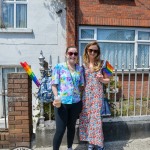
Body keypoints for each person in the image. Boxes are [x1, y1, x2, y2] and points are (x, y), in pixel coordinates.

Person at [79, 41, 111, 150]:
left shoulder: (104, 63)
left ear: (98, 52)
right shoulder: (82, 66)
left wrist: (102, 79)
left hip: (97, 95)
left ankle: (99, 144)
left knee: (96, 119)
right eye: (90, 50)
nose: (93, 52)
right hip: (86, 96)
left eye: (95, 51)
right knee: (87, 118)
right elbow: (80, 83)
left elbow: (108, 79)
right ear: (87, 51)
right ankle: (91, 143)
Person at [51, 46, 85, 150]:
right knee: (60, 130)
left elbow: (81, 85)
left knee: (71, 127)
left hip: (75, 103)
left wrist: (79, 95)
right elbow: (54, 84)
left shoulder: (80, 69)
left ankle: (69, 147)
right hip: (62, 104)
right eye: (70, 53)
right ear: (66, 54)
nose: (73, 56)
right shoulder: (59, 67)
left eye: (75, 54)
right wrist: (56, 98)